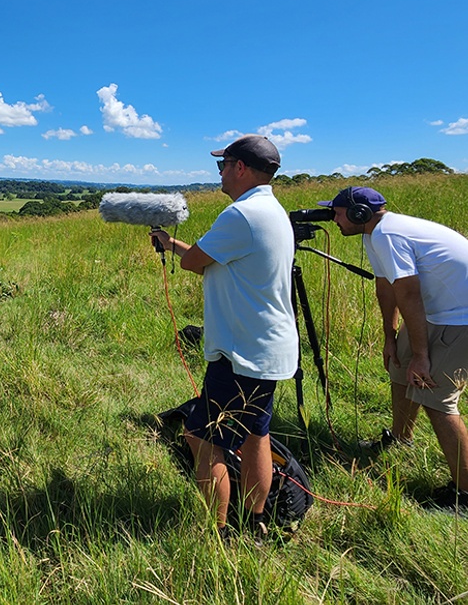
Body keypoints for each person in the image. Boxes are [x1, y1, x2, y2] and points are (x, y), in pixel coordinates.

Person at [151, 135, 298, 541]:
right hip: (268, 349)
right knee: (255, 434)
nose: (219, 171)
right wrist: (172, 243)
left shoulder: (241, 215)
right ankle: (255, 521)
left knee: (202, 436)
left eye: (223, 164)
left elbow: (196, 262)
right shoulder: (271, 211)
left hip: (241, 352)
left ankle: (219, 533)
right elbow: (207, 262)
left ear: (241, 169)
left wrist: (179, 249)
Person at [319, 186, 468, 512]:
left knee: (437, 399)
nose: (334, 218)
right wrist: (391, 337)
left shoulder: (387, 234)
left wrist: (421, 355)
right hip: (435, 312)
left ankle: (465, 493)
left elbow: (409, 294)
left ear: (360, 213)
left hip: (460, 317)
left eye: (338, 212)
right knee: (400, 369)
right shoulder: (374, 235)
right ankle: (400, 437)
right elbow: (386, 289)